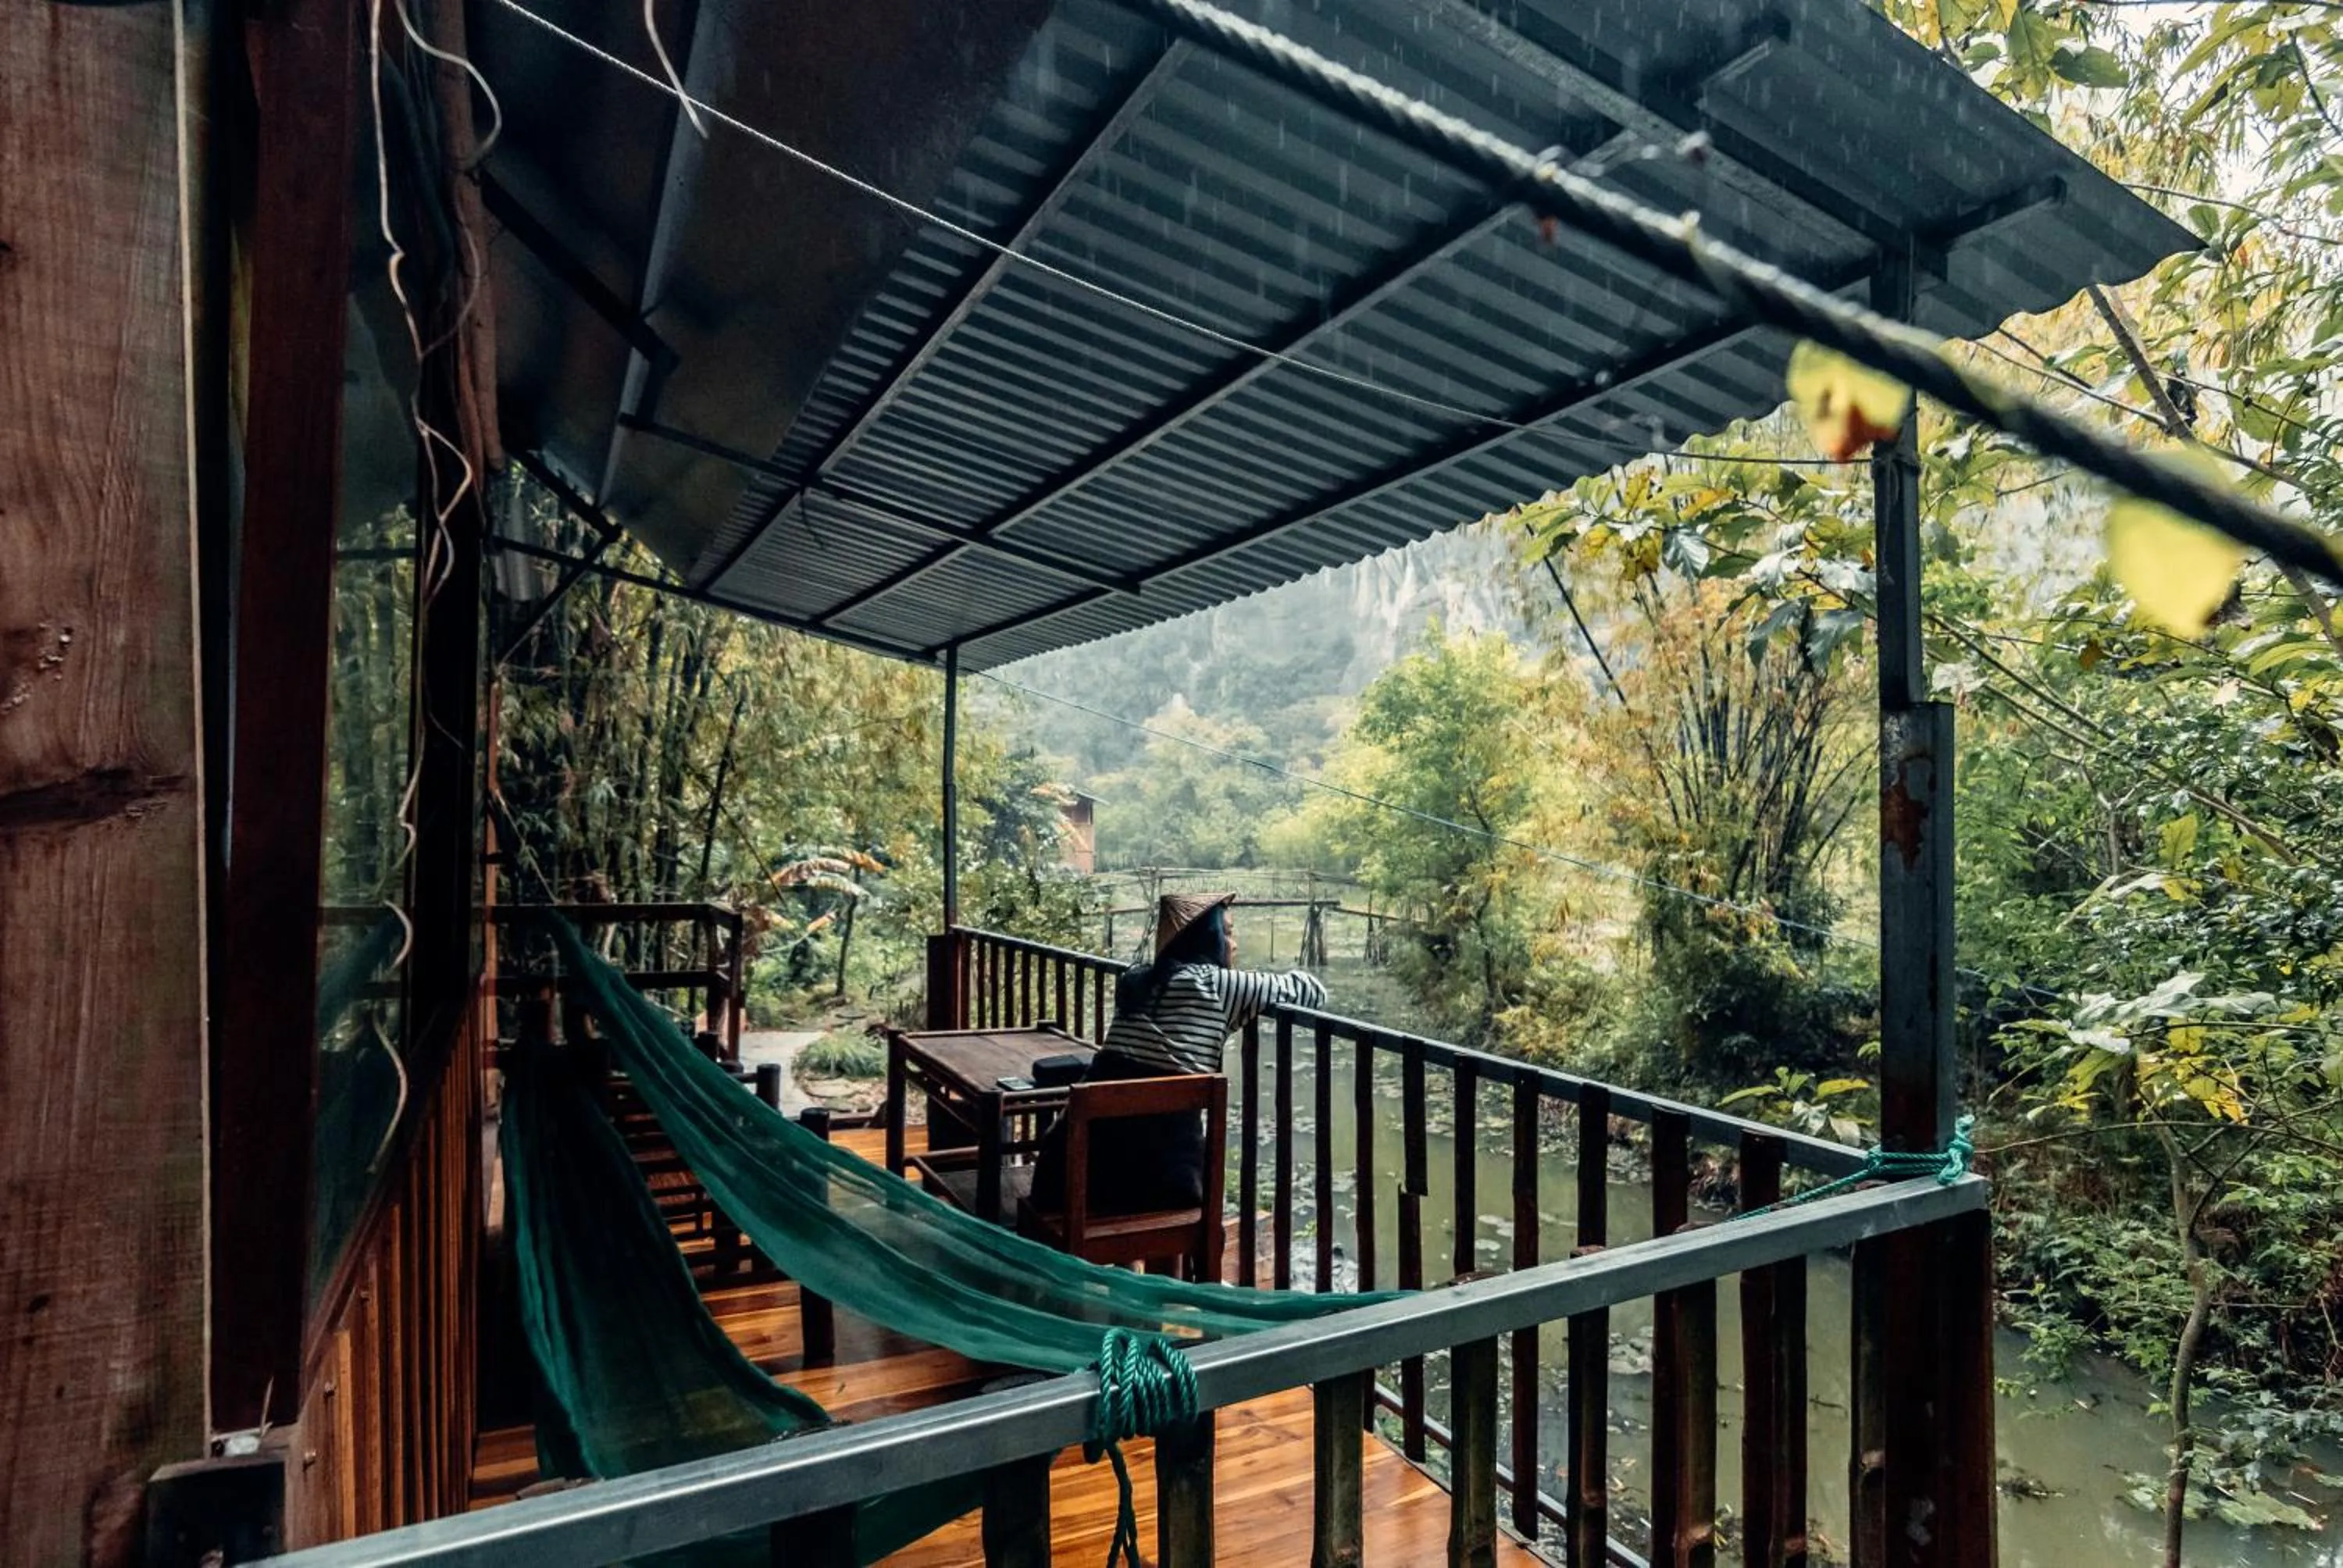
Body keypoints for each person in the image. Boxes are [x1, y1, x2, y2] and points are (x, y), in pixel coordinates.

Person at [1030, 893, 1327, 1217]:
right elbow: (1312, 991)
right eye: (1227, 933)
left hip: (1065, 1174)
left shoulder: (1137, 982)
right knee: (1158, 1153)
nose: (1234, 943)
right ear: (1208, 939)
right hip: (1160, 1183)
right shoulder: (1220, 986)